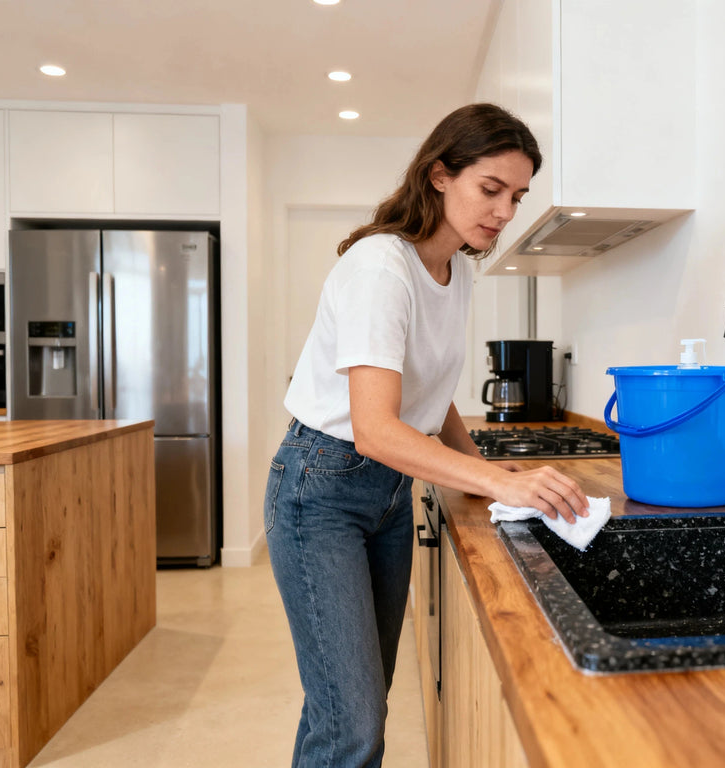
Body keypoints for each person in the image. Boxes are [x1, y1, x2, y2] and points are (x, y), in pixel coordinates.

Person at [264, 102, 589, 768]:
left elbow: (429, 395)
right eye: (490, 189)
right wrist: (500, 480)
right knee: (352, 724)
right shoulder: (382, 267)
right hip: (320, 489)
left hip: (386, 494)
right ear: (439, 175)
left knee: (349, 705)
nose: (503, 212)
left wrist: (486, 485)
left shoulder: (456, 271)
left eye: (517, 196)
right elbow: (377, 428)